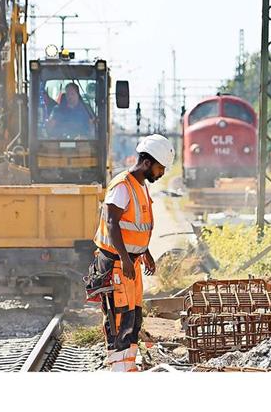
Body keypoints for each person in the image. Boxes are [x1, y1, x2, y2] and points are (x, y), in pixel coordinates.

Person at [89, 134, 175, 371]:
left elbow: (135, 226)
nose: (162, 173)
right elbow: (112, 222)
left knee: (133, 316)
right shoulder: (122, 185)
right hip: (117, 263)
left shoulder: (140, 187)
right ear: (147, 162)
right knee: (119, 318)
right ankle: (119, 369)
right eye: (160, 168)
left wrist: (144, 252)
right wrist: (126, 259)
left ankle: (127, 367)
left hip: (129, 263)